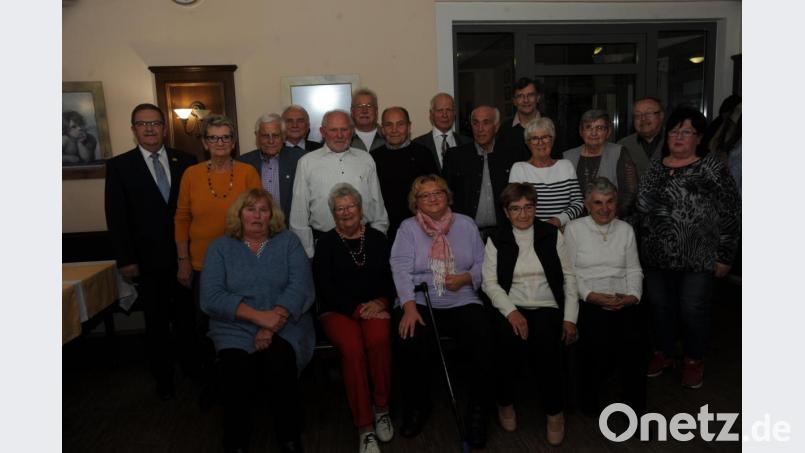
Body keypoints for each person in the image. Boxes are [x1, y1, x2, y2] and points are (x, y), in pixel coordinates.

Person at [631, 107, 740, 389]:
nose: (679, 137)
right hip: (656, 258)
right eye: (674, 131)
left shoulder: (712, 167)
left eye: (687, 132)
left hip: (698, 259)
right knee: (660, 309)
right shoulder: (657, 166)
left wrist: (725, 256)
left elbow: (732, 212)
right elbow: (641, 206)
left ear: (699, 137)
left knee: (693, 310)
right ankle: (664, 353)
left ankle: (694, 359)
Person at [201, 188, 314, 453]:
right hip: (234, 326)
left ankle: (289, 436)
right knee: (234, 368)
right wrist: (260, 319)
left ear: (271, 215)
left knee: (280, 360)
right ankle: (236, 441)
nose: (257, 216)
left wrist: (272, 322)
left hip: (286, 324)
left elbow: (300, 286)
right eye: (250, 209)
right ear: (239, 215)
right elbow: (211, 296)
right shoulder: (219, 247)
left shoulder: (288, 242)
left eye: (263, 210)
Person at [390, 175, 492, 448]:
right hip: (422, 299)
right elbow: (400, 268)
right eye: (425, 195)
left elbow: (483, 263)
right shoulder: (408, 228)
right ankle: (417, 406)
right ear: (416, 202)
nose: (433, 198)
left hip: (462, 298)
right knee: (409, 338)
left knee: (482, 337)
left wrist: (467, 278)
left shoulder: (466, 224)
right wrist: (408, 307)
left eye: (438, 193)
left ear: (447, 196)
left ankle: (478, 413)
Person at [105, 103, 197, 400]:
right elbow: (116, 217)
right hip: (146, 262)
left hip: (185, 257)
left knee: (188, 319)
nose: (149, 128)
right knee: (156, 323)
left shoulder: (186, 160)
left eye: (155, 123)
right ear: (133, 130)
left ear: (164, 128)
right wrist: (126, 260)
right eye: (142, 124)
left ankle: (192, 372)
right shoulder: (119, 166)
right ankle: (164, 379)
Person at [482, 182, 577, 446]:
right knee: (507, 343)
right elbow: (489, 283)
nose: (523, 215)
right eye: (516, 209)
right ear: (506, 211)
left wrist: (570, 318)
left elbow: (569, 278)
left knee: (548, 346)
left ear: (535, 208)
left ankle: (554, 412)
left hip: (547, 305)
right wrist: (512, 313)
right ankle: (505, 402)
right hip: (511, 305)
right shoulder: (496, 238)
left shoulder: (551, 233)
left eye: (528, 208)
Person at [175, 114, 262, 395]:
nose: (220, 142)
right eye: (213, 137)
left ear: (234, 142)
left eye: (225, 137)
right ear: (204, 142)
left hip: (242, 263)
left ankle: (246, 381)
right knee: (204, 326)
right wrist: (183, 259)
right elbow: (182, 218)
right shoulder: (192, 174)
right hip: (202, 264)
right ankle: (213, 384)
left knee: (243, 321)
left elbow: (260, 215)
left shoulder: (248, 172)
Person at [313, 183, 396, 453]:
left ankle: (381, 407)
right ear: (332, 213)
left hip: (376, 306)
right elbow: (324, 288)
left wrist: (381, 302)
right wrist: (360, 309)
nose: (346, 212)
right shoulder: (325, 243)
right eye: (339, 208)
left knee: (380, 338)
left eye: (351, 206)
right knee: (352, 349)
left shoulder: (377, 239)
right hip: (338, 311)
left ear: (361, 209)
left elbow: (390, 279)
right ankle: (364, 426)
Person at [564, 177, 647, 416]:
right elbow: (569, 272)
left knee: (636, 344)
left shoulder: (625, 229)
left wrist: (632, 296)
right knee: (596, 341)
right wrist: (590, 296)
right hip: (589, 299)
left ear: (616, 203)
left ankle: (636, 410)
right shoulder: (574, 229)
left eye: (610, 202)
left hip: (622, 298)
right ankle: (588, 399)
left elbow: (633, 269)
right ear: (587, 205)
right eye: (598, 203)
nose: (605, 208)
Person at [290, 109, 389, 258]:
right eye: (333, 130)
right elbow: (299, 214)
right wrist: (309, 254)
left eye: (344, 129)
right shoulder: (306, 163)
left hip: (364, 243)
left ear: (352, 131)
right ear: (323, 132)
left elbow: (378, 206)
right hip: (323, 245)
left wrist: (377, 240)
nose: (339, 135)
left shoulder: (366, 159)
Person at [443, 105, 520, 240]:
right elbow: (445, 196)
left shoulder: (512, 156)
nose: (480, 129)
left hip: (505, 235)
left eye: (486, 123)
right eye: (475, 123)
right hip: (465, 235)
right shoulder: (455, 156)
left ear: (496, 126)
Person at [371, 106, 439, 242]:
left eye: (400, 124)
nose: (394, 130)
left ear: (409, 127)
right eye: (389, 125)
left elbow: (437, 194)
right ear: (382, 129)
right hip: (384, 233)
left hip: (422, 231)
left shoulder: (424, 154)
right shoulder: (372, 158)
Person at [508, 117, 584, 228]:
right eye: (534, 138)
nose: (540, 143)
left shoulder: (566, 166)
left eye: (545, 137)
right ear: (528, 143)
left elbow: (578, 203)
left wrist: (558, 220)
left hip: (564, 232)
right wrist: (541, 228)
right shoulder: (519, 168)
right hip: (530, 232)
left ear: (552, 140)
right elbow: (515, 207)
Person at [563, 109, 638, 217]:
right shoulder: (568, 156)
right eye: (588, 127)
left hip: (611, 220)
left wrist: (611, 216)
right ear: (581, 132)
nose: (594, 133)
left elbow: (629, 193)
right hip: (575, 222)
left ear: (608, 132)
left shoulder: (619, 152)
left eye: (600, 128)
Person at [238, 113, 306, 220]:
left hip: (290, 227)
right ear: (257, 137)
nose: (270, 141)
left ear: (284, 137)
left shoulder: (300, 160)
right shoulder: (243, 163)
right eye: (265, 136)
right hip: (256, 227)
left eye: (275, 135)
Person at [412, 92, 472, 170]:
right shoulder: (417, 145)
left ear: (454, 114)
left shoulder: (468, 144)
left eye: (448, 110)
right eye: (440, 110)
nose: (444, 115)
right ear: (431, 114)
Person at [617, 97, 665, 179]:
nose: (643, 118)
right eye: (638, 115)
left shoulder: (676, 141)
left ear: (661, 116)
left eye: (649, 113)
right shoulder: (623, 145)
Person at [496, 77, 541, 161]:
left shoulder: (552, 126)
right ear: (514, 101)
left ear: (538, 98)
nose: (526, 100)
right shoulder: (505, 129)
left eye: (530, 95)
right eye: (520, 96)